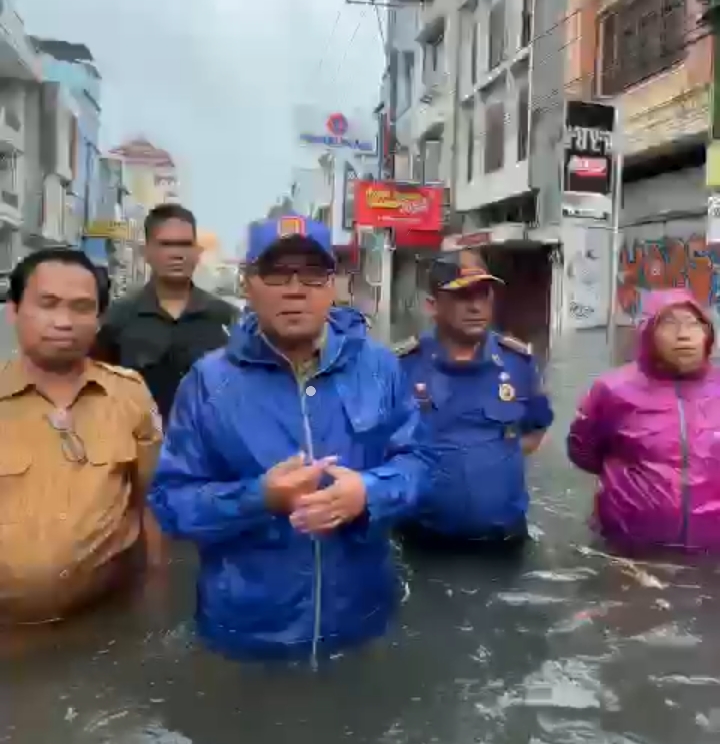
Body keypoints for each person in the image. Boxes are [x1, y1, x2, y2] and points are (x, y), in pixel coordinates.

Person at [150, 213, 425, 661]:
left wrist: (367, 493)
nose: (295, 288)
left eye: (313, 273)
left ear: (333, 285)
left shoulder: (379, 369)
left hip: (360, 623)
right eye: (276, 272)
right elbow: (171, 504)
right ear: (247, 283)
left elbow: (421, 464)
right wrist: (258, 497)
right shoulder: (207, 383)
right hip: (245, 634)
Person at [0, 247, 164, 626]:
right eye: (48, 304)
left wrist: (155, 591)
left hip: (103, 622)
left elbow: (152, 500)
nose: (63, 321)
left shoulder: (129, 393)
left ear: (99, 318)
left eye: (81, 307)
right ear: (15, 309)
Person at [396, 254, 553, 550]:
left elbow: (536, 429)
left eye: (483, 293)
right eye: (461, 295)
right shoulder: (402, 366)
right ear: (433, 305)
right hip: (424, 543)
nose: (476, 306)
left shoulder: (518, 363)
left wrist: (490, 462)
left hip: (504, 542)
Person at [567, 288, 720, 552]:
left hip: (712, 552)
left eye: (693, 323)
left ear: (708, 334)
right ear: (648, 333)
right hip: (630, 552)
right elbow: (583, 452)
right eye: (669, 323)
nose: (683, 335)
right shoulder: (613, 390)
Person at [95, 204, 236, 424]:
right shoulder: (118, 320)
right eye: (166, 245)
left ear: (197, 253)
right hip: (137, 449)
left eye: (185, 245)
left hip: (208, 452)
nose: (177, 254)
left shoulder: (226, 320)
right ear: (146, 252)